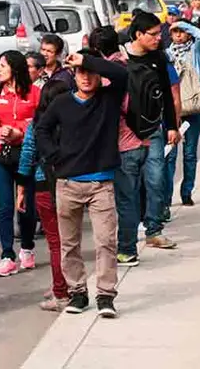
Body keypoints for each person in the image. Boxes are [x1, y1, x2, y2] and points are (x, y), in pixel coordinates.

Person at [35, 49, 128, 318]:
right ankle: (77, 292)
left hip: (101, 184)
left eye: (91, 72)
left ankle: (105, 295)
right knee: (69, 244)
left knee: (106, 241)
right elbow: (41, 129)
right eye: (81, 73)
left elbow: (121, 74)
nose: (86, 77)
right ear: (73, 76)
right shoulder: (62, 102)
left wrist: (85, 60)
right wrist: (53, 155)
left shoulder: (109, 98)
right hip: (67, 184)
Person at [88, 25, 151, 267]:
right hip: (141, 139)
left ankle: (127, 249)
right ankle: (128, 245)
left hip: (124, 144)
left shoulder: (112, 74)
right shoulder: (130, 64)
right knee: (131, 197)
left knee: (125, 200)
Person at [0, 50, 41, 277]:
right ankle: (7, 255)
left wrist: (20, 131)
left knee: (25, 205)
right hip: (0, 156)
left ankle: (27, 248)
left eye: (3, 65)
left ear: (15, 68)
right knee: (5, 206)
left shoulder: (34, 93)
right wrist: (0, 131)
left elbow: (40, 122)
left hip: (26, 156)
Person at [125, 10, 181, 250]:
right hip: (126, 133)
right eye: (154, 34)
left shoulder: (159, 58)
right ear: (138, 34)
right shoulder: (122, 58)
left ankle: (154, 229)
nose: (159, 38)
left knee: (156, 179)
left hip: (154, 129)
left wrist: (172, 126)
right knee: (129, 185)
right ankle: (127, 235)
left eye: (160, 34)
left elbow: (167, 95)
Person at [16, 79, 72, 311]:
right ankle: (68, 285)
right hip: (72, 183)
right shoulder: (74, 121)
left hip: (43, 185)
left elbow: (27, 155)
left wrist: (21, 189)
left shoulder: (37, 124)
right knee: (71, 241)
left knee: (55, 243)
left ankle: (61, 292)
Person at [165, 19, 200, 207]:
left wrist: (182, 23)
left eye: (182, 31)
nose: (178, 34)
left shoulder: (195, 51)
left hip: (193, 108)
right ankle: (166, 197)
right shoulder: (167, 54)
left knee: (190, 154)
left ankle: (186, 192)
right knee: (170, 155)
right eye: (175, 32)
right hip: (173, 109)